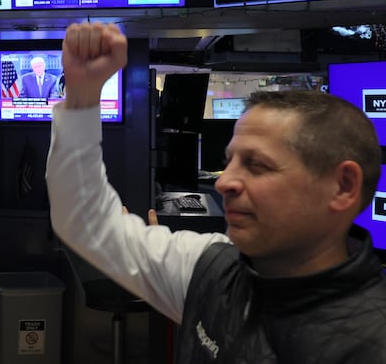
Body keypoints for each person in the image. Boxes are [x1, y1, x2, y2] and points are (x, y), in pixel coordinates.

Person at [46, 21, 386, 362]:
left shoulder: (370, 341)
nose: (224, 182)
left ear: (342, 187)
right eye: (230, 161)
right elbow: (84, 218)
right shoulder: (210, 268)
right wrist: (82, 96)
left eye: (257, 165)